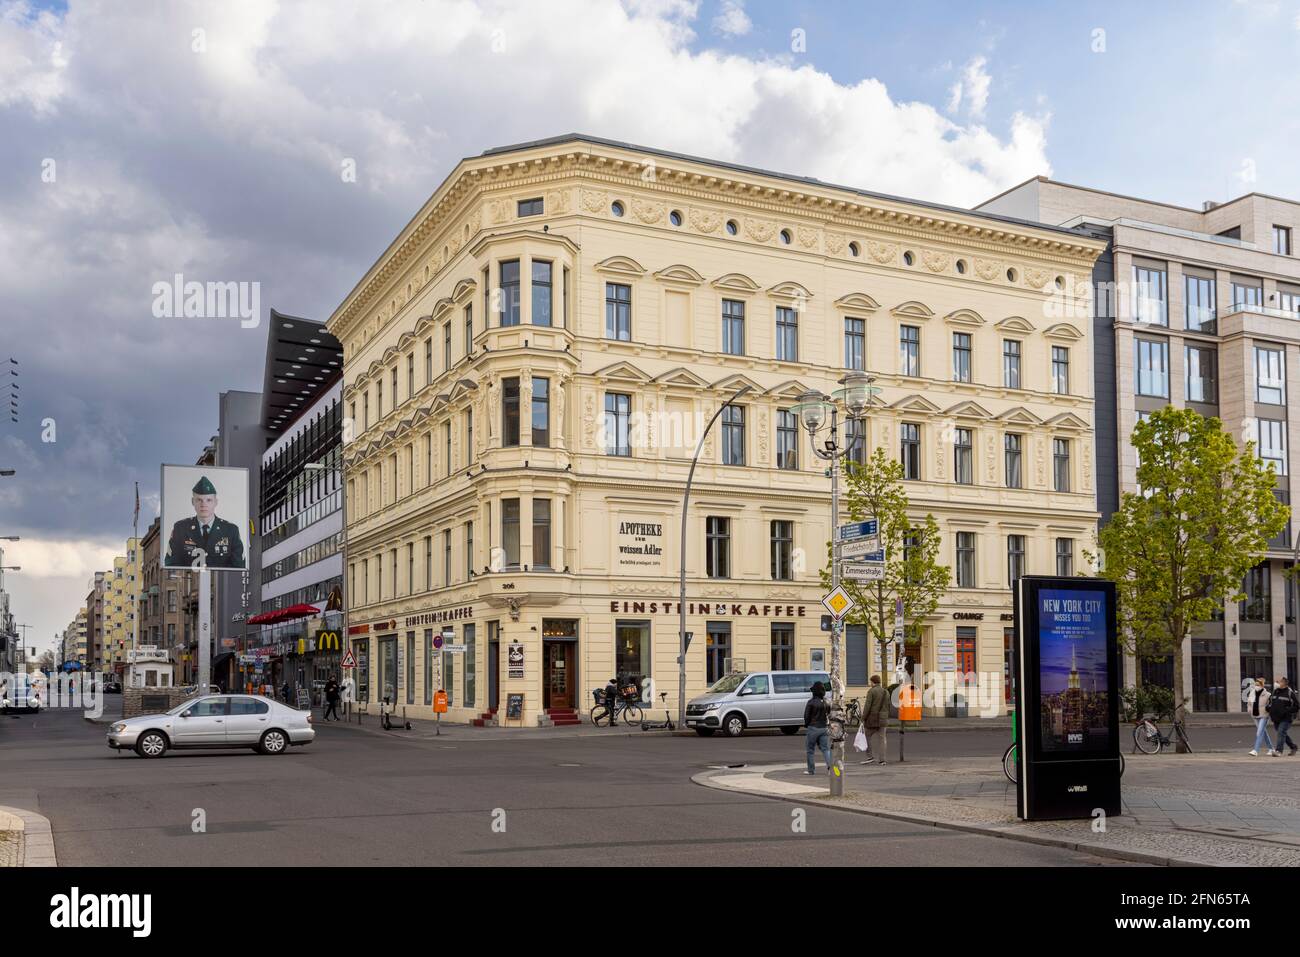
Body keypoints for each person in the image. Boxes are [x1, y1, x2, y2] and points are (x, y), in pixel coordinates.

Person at [165, 475, 245, 569]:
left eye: (209, 500)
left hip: (219, 583)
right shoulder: (180, 529)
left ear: (216, 502)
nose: (204, 504)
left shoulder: (231, 531)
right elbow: (171, 565)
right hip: (191, 581)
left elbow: (239, 566)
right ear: (192, 501)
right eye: (199, 500)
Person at [803, 682, 832, 774]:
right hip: (824, 728)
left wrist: (807, 725)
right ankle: (830, 768)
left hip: (813, 727)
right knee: (825, 749)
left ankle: (811, 770)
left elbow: (806, 716)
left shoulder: (811, 702)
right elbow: (829, 714)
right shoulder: (827, 701)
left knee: (810, 750)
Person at [1268, 676, 1299, 756]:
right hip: (1276, 718)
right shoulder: (1275, 691)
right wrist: (1269, 708)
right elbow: (1271, 703)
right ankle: (1293, 747)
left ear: (1284, 683)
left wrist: (1286, 710)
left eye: (1279, 682)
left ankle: (1278, 751)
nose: (1277, 683)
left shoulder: (1289, 693)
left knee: (1281, 732)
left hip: (1286, 718)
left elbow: (1297, 706)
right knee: (1282, 733)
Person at [862, 674, 889, 765]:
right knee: (882, 739)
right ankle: (882, 760)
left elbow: (867, 706)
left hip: (873, 719)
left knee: (867, 736)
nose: (870, 683)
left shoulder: (871, 691)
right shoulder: (886, 692)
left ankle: (870, 756)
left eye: (871, 682)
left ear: (873, 682)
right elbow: (888, 706)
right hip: (883, 719)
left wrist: (863, 718)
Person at [1246, 677, 1275, 756]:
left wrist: (1268, 710)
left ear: (1262, 686)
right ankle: (1271, 749)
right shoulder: (1252, 693)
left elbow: (1270, 705)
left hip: (1264, 715)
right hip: (1255, 715)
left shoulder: (1267, 694)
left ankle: (1255, 750)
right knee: (1263, 732)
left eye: (1258, 685)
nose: (1256, 686)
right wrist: (1249, 709)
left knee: (1259, 732)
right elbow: (1249, 703)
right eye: (1256, 684)